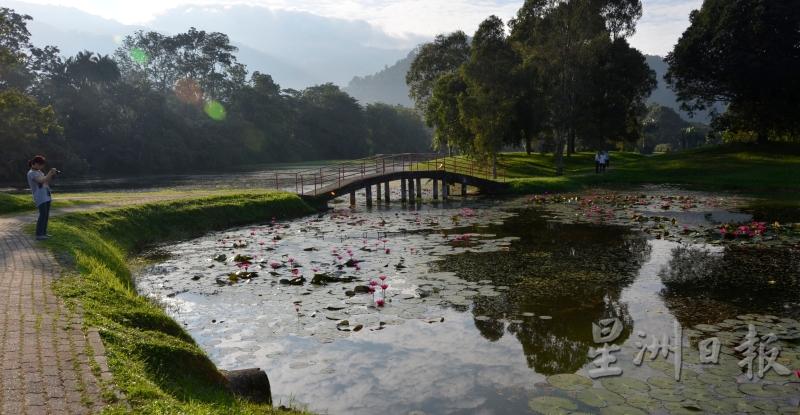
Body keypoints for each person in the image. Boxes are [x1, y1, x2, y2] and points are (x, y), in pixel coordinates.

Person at [26, 155, 57, 240]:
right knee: (42, 215)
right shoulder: (31, 173)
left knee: (46, 215)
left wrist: (52, 175)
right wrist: (50, 172)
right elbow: (41, 180)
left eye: (42, 165)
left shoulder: (39, 171)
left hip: (46, 195)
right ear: (34, 163)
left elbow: (46, 181)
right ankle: (39, 235)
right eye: (40, 164)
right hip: (40, 197)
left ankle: (44, 233)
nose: (42, 166)